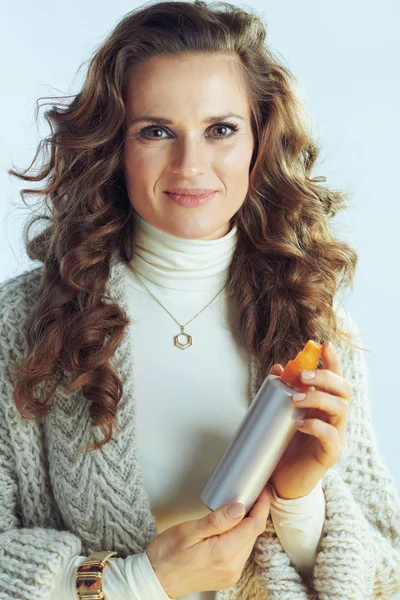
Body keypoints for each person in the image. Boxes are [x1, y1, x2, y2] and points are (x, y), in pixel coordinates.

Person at [1, 1, 399, 599]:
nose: (191, 166)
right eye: (156, 131)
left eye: (221, 130)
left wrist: (301, 498)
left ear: (260, 140)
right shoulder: (23, 322)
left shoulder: (314, 318)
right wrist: (134, 582)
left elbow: (381, 568)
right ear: (115, 144)